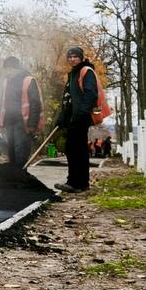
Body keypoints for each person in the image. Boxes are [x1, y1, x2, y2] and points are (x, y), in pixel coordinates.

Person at [57, 46, 98, 192]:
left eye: (75, 56)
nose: (72, 59)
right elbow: (68, 98)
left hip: (80, 118)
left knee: (77, 150)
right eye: (70, 57)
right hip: (72, 119)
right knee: (72, 149)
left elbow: (91, 94)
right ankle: (77, 182)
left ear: (81, 58)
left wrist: (81, 113)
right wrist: (62, 117)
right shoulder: (72, 74)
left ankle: (77, 183)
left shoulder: (86, 71)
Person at [0, 56, 41, 173]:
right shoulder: (6, 82)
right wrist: (0, 122)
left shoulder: (28, 80)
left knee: (20, 150)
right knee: (11, 150)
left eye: (9, 69)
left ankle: (21, 175)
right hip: (9, 121)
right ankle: (13, 175)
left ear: (16, 69)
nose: (7, 72)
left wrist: (32, 124)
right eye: (6, 69)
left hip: (23, 122)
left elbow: (35, 103)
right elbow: (2, 102)